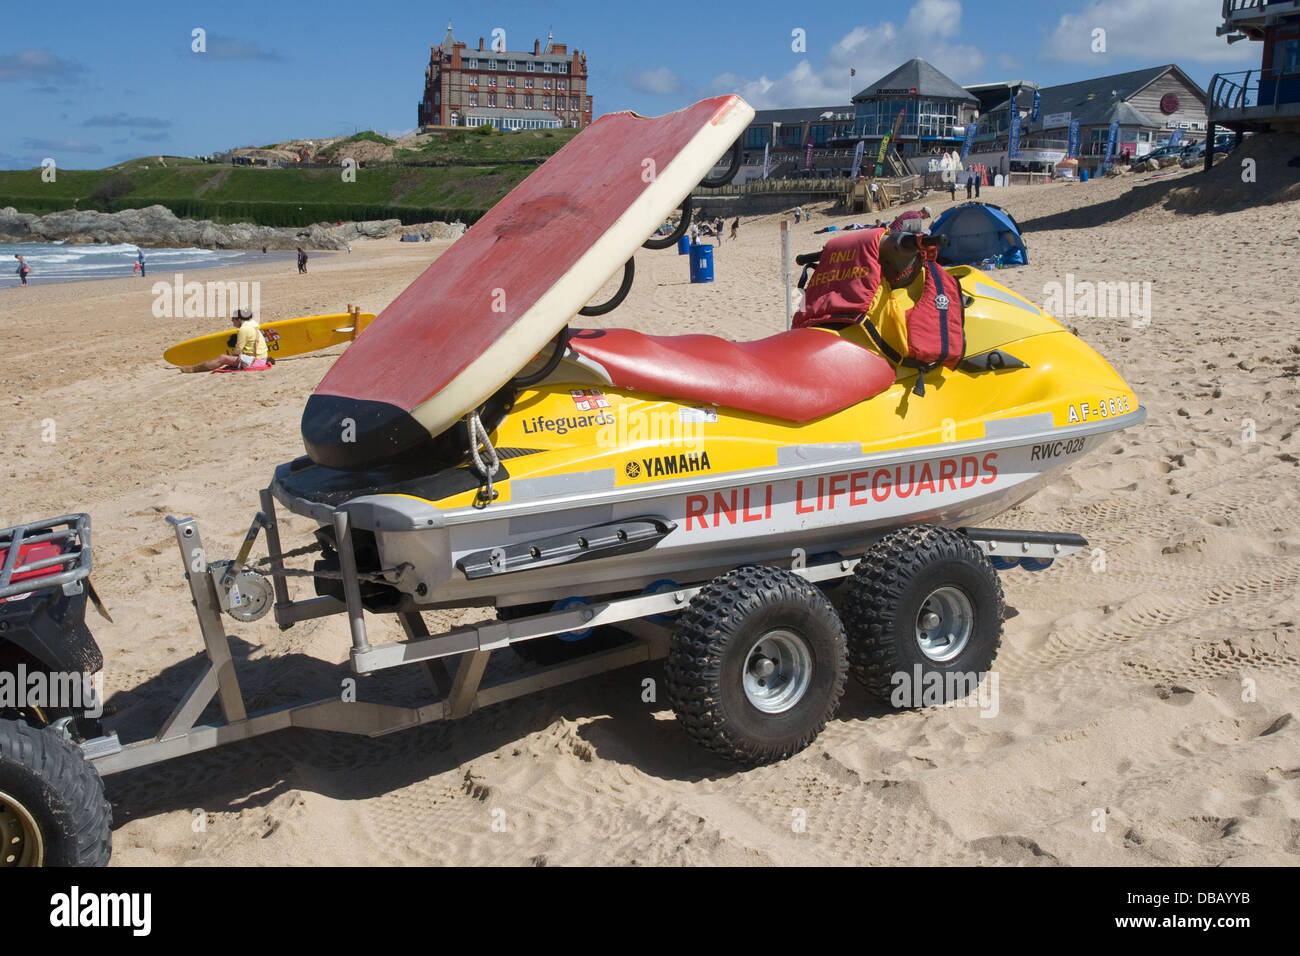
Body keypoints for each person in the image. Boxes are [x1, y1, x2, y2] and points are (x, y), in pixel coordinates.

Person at [180, 308, 271, 373]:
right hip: (261, 359)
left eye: (233, 320)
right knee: (227, 358)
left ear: (239, 319)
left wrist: (231, 356)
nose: (232, 322)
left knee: (222, 358)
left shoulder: (244, 329)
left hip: (254, 362)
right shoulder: (253, 326)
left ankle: (193, 369)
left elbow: (238, 349)